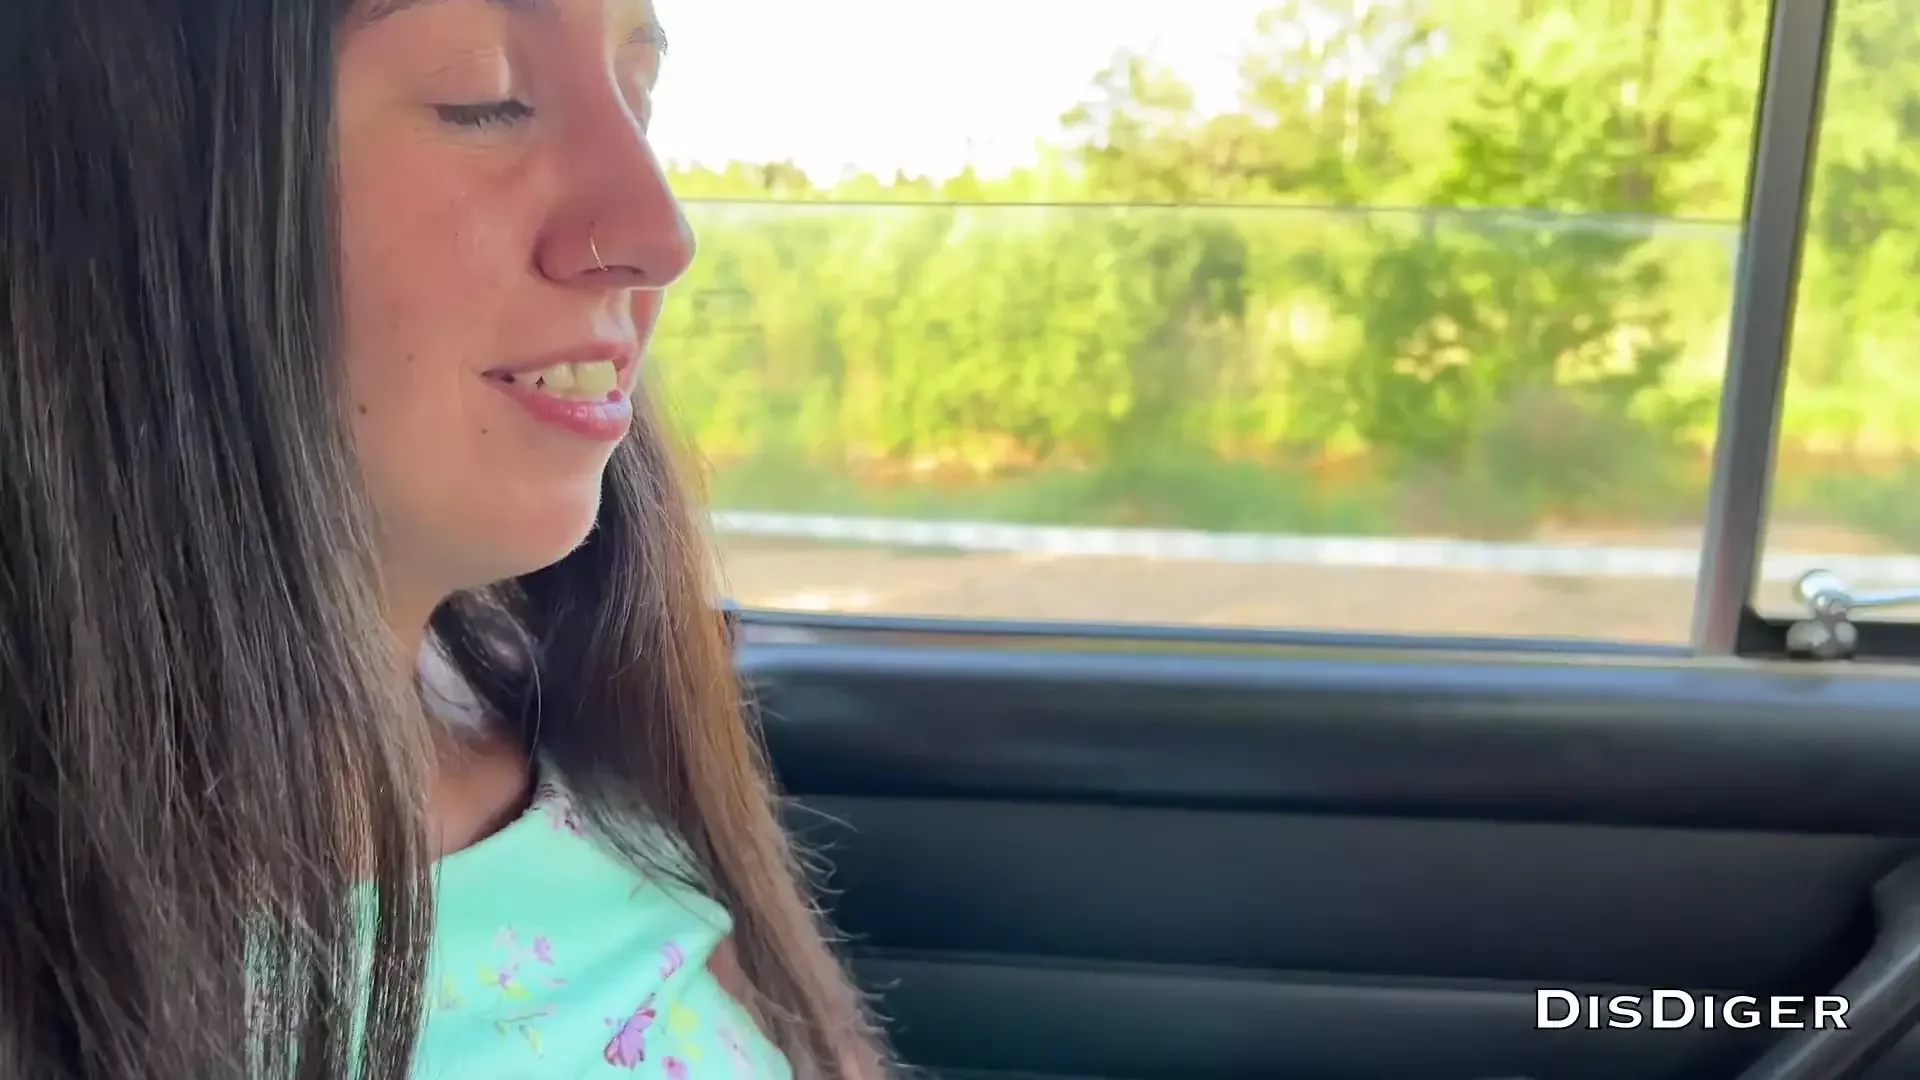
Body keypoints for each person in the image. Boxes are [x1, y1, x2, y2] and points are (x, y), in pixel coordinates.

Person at [0, 1, 892, 1077]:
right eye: (485, 97)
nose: (660, 236)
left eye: (638, 96)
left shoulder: (574, 710)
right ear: (116, 186)